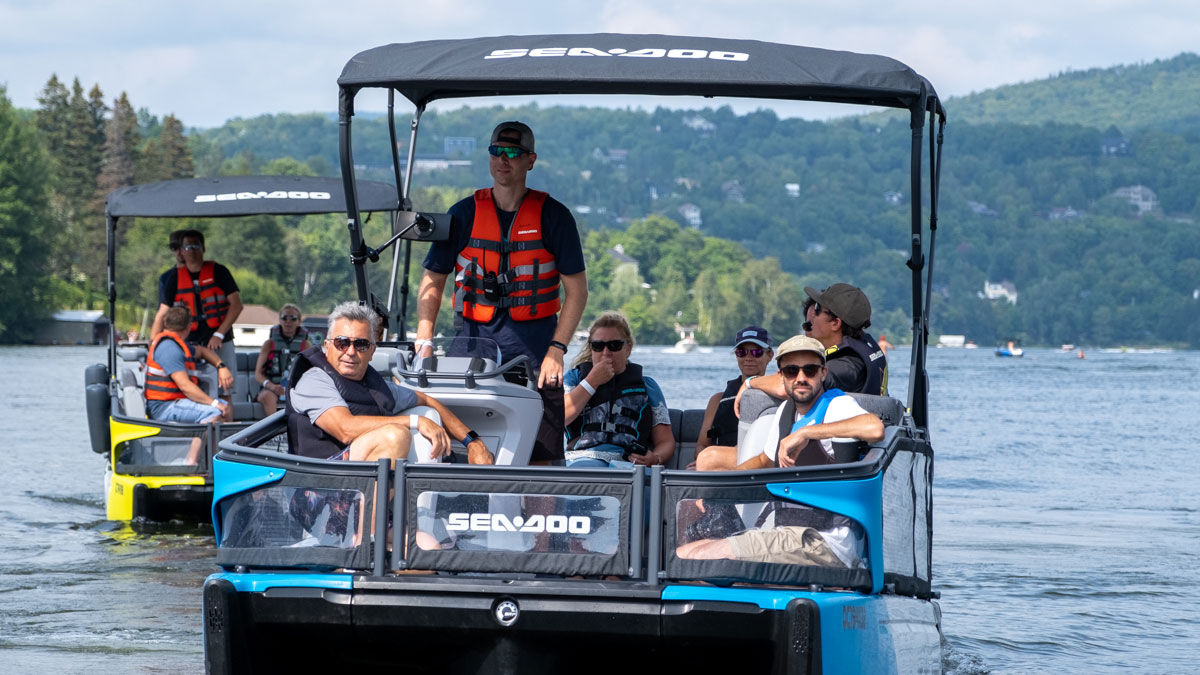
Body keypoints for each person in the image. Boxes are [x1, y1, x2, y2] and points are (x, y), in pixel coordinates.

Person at [415, 121, 587, 464]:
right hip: (471, 353)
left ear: (530, 160)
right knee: (465, 452)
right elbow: (433, 280)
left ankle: (540, 513)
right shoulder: (463, 214)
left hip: (537, 357)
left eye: (512, 152)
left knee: (543, 459)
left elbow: (578, 291)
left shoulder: (555, 217)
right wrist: (424, 339)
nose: (502, 159)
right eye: (496, 151)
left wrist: (557, 350)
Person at [677, 335, 884, 566]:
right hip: (789, 534)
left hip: (824, 541)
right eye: (791, 371)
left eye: (810, 370)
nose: (801, 378)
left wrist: (806, 433)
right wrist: (718, 488)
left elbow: (874, 428)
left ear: (823, 373)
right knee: (690, 548)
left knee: (690, 557)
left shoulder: (837, 405)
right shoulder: (786, 412)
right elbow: (765, 461)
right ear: (781, 376)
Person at [287, 301, 494, 465]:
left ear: (372, 351)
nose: (350, 352)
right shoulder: (314, 379)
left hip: (357, 480)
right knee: (394, 436)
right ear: (327, 346)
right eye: (342, 343)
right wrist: (416, 422)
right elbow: (345, 429)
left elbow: (426, 400)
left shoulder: (377, 386)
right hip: (317, 482)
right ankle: (376, 519)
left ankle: (402, 514)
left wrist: (472, 443)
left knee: (423, 419)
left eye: (360, 344)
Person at [736, 283, 888, 408]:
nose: (806, 329)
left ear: (835, 323)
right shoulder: (864, 344)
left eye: (817, 309)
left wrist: (750, 382)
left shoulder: (847, 365)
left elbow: (789, 387)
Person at [563, 311, 674, 467]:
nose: (606, 353)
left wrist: (655, 458)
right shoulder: (574, 379)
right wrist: (591, 382)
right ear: (591, 348)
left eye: (614, 345)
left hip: (629, 463)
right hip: (583, 458)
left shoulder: (647, 386)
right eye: (598, 346)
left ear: (627, 348)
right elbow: (559, 418)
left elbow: (665, 441)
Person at [145, 306, 234, 464]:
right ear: (189, 327)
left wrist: (221, 366)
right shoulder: (169, 348)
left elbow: (203, 351)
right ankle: (192, 463)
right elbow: (185, 386)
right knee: (213, 412)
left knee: (225, 405)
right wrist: (214, 403)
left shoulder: (178, 344)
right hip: (163, 407)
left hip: (176, 402)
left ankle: (218, 461)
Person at [150, 228, 243, 374]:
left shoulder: (219, 271)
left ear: (203, 248)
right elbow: (161, 314)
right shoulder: (172, 278)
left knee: (226, 385)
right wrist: (153, 346)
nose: (192, 251)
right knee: (193, 383)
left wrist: (219, 334)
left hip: (220, 340)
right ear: (182, 251)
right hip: (188, 340)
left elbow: (237, 305)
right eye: (187, 247)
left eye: (196, 246)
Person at [694, 326, 773, 455]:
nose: (748, 358)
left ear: (770, 356)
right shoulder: (717, 400)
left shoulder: (778, 397)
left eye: (756, 352)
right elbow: (701, 446)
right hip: (720, 466)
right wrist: (704, 459)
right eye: (741, 352)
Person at [253, 303, 311, 415]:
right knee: (267, 396)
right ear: (279, 320)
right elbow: (258, 374)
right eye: (284, 318)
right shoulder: (269, 344)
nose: (288, 321)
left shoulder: (306, 345)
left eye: (293, 318)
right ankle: (276, 432)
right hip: (271, 388)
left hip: (295, 389)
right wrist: (272, 386)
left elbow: (311, 372)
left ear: (299, 321)